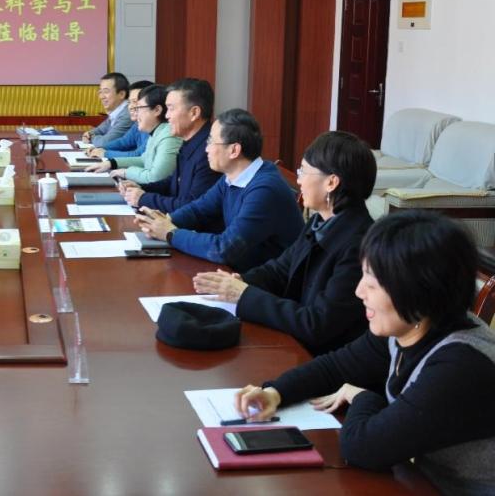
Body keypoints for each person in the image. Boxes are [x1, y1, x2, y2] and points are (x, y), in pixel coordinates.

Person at [235, 211, 495, 494]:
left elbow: (363, 448)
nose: (359, 291)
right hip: (425, 481)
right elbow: (336, 366)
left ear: (417, 290)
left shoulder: (460, 365)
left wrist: (363, 397)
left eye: (372, 284)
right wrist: (275, 392)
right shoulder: (411, 325)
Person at [193, 131, 377, 354]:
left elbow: (317, 323)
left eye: (303, 171)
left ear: (331, 182)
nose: (298, 180)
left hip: (325, 357)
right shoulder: (320, 222)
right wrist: (239, 281)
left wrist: (245, 294)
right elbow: (280, 270)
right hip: (295, 341)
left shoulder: (360, 246)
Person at [135, 108, 303, 272]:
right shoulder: (232, 176)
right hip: (237, 272)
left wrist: (170, 233)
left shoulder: (265, 190)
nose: (206, 149)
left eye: (211, 142)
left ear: (234, 150)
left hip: (262, 282)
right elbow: (198, 210)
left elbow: (224, 248)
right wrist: (164, 221)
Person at [120, 78, 220, 213]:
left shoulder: (210, 151)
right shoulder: (189, 141)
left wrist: (143, 198)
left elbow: (192, 207)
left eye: (171, 109)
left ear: (194, 113)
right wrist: (141, 188)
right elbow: (173, 183)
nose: (167, 116)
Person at [87, 84, 181, 185]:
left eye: (139, 107)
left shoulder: (169, 136)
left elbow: (154, 178)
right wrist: (111, 163)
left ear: (157, 110)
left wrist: (126, 172)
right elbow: (144, 159)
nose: (136, 112)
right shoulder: (157, 131)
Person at [86, 80, 153, 159]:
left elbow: (139, 156)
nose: (131, 107)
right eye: (129, 102)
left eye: (135, 102)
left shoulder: (154, 127)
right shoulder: (137, 124)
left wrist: (105, 153)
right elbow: (123, 142)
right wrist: (100, 148)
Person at [81, 72, 132, 148]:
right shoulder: (116, 112)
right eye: (100, 92)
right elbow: (100, 130)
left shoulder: (127, 114)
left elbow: (105, 143)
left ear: (121, 94)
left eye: (106, 92)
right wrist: (89, 134)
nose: (101, 97)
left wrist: (91, 137)